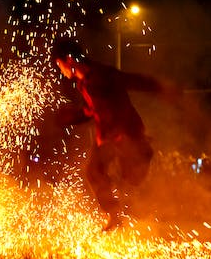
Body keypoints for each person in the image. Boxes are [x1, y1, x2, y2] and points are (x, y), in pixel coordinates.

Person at [51, 36, 179, 230]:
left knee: (132, 178)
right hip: (107, 138)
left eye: (60, 64)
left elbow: (132, 80)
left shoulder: (102, 74)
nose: (60, 70)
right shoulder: (83, 83)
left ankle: (144, 152)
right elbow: (91, 110)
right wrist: (72, 117)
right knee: (94, 171)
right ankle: (114, 214)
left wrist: (161, 87)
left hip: (125, 133)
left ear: (69, 59)